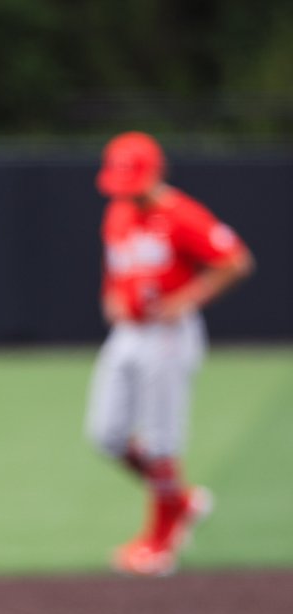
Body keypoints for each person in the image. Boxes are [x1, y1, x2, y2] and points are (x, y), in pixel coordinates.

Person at [87, 131, 254, 577]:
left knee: (162, 441)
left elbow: (235, 259)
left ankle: (160, 543)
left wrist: (187, 300)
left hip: (168, 333)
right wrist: (111, 296)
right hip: (128, 332)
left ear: (154, 173)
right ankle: (180, 502)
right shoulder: (118, 212)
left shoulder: (180, 213)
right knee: (107, 433)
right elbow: (116, 269)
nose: (126, 188)